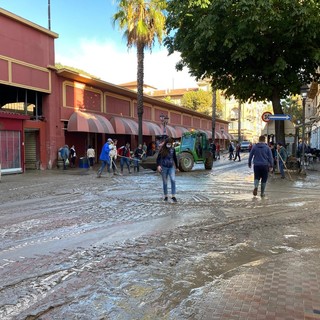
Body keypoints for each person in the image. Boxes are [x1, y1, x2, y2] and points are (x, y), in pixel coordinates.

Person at [156, 137, 179, 202]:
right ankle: (166, 196)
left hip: (171, 167)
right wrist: (158, 166)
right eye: (168, 143)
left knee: (173, 180)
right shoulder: (162, 150)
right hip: (164, 168)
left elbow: (175, 158)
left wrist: (177, 167)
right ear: (166, 143)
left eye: (170, 144)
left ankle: (173, 196)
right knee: (165, 182)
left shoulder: (173, 149)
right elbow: (158, 159)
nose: (169, 145)